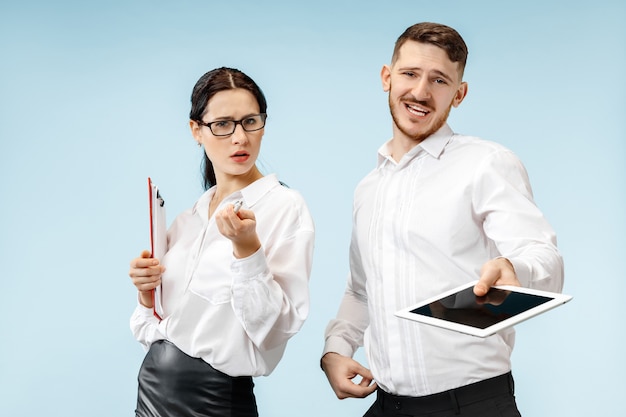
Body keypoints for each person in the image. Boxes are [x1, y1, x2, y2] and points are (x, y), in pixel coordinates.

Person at [321, 22, 564, 417]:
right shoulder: (368, 188)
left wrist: (515, 269)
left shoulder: (485, 163)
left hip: (471, 405)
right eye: (410, 74)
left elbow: (544, 259)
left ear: (459, 93)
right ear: (387, 77)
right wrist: (336, 349)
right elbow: (361, 290)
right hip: (388, 406)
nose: (420, 92)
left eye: (439, 80)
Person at [129, 67, 315, 417]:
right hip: (152, 396)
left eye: (250, 121)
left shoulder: (283, 207)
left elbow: (275, 329)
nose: (240, 138)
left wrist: (248, 251)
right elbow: (155, 332)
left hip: (215, 403)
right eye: (223, 124)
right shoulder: (187, 220)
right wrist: (146, 293)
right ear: (196, 130)